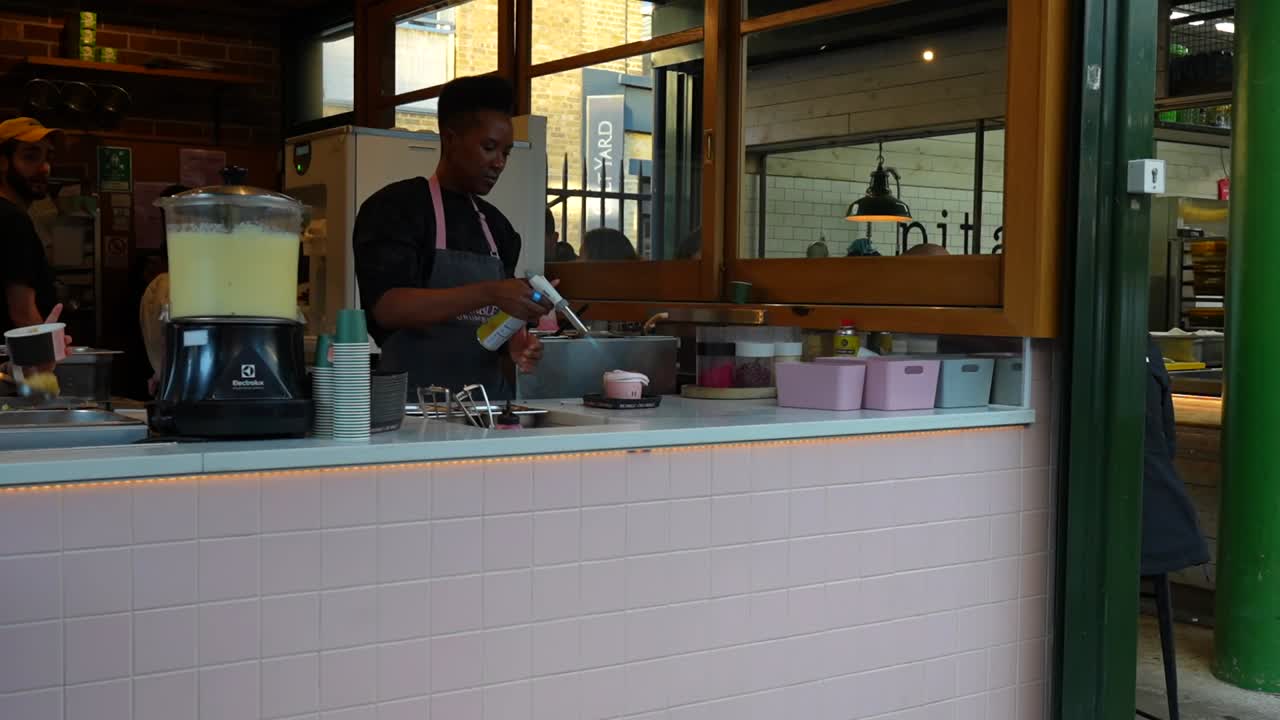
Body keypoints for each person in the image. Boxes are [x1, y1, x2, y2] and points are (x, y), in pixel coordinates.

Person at [353, 76, 551, 399]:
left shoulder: (499, 229)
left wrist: (516, 341)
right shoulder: (395, 209)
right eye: (489, 148)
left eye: (506, 152)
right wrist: (490, 292)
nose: (499, 163)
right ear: (451, 139)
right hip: (413, 410)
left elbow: (492, 327)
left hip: (485, 408)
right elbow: (389, 308)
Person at [0, 117, 62, 337]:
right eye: (30, 157)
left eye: (48, 157)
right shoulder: (12, 219)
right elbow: (23, 313)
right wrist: (45, 366)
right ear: (3, 162)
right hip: (13, 362)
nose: (44, 168)